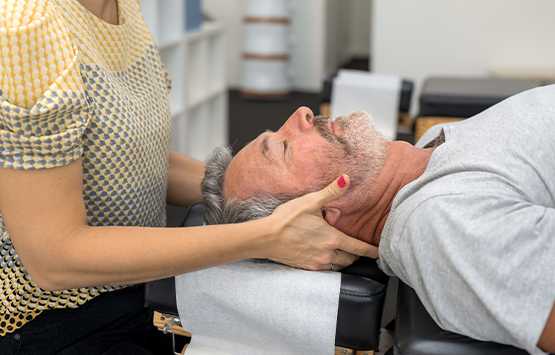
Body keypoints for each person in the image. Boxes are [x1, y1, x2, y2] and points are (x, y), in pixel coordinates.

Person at [0, 1, 378, 353]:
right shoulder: (26, 23)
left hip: (138, 290)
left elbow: (130, 161)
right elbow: (53, 259)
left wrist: (266, 196)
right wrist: (267, 236)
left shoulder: (124, 9)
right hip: (47, 325)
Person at [200, 85, 555, 354]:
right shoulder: (440, 225)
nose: (301, 114)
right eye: (284, 147)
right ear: (319, 216)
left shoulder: (426, 148)